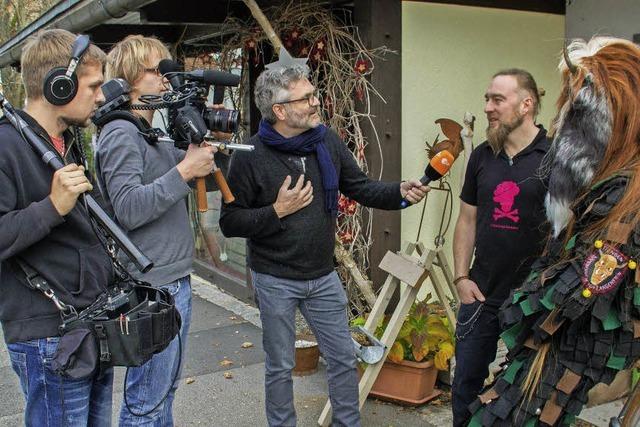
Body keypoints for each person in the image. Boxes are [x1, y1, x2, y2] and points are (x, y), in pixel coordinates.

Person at [219, 52, 429, 427]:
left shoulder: (324, 142)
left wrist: (400, 192)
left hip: (322, 277)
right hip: (275, 278)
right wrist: (276, 211)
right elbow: (231, 222)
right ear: (280, 111)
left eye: (314, 94)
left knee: (344, 359)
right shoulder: (250, 156)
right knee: (281, 367)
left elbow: (360, 187)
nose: (316, 102)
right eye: (306, 98)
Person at [467, 36, 640, 426]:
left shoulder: (626, 192)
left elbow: (588, 283)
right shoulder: (603, 183)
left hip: (569, 350)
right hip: (543, 343)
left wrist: (525, 299)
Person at [94, 35, 216, 425]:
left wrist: (209, 158)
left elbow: (193, 174)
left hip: (173, 281)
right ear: (129, 78)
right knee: (146, 404)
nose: (166, 78)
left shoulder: (151, 131)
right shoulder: (119, 133)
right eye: (155, 70)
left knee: (163, 395)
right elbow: (128, 208)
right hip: (152, 290)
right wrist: (185, 170)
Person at [0, 29, 114, 426]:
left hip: (91, 324)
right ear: (59, 85)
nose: (101, 96)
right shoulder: (6, 145)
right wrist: (52, 207)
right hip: (48, 335)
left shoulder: (67, 140)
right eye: (94, 85)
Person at [451, 69, 550, 426]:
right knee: (465, 386)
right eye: (487, 98)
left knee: (530, 391)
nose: (489, 107)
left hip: (535, 299)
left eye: (498, 99)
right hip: (481, 294)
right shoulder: (481, 156)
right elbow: (467, 220)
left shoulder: (553, 157)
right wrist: (461, 277)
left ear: (526, 105)